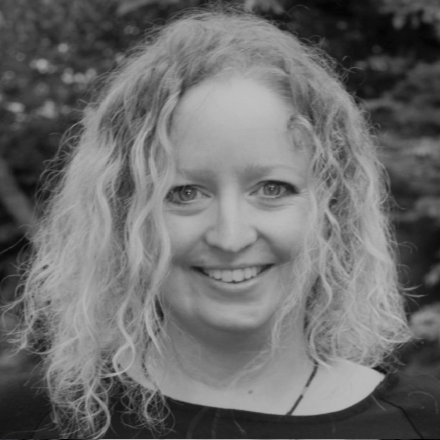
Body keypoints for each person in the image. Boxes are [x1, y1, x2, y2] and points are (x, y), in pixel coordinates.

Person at [1, 7, 440, 440]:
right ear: (123, 216)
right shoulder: (21, 422)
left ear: (334, 210)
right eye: (184, 193)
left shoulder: (425, 424)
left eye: (272, 189)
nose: (231, 237)